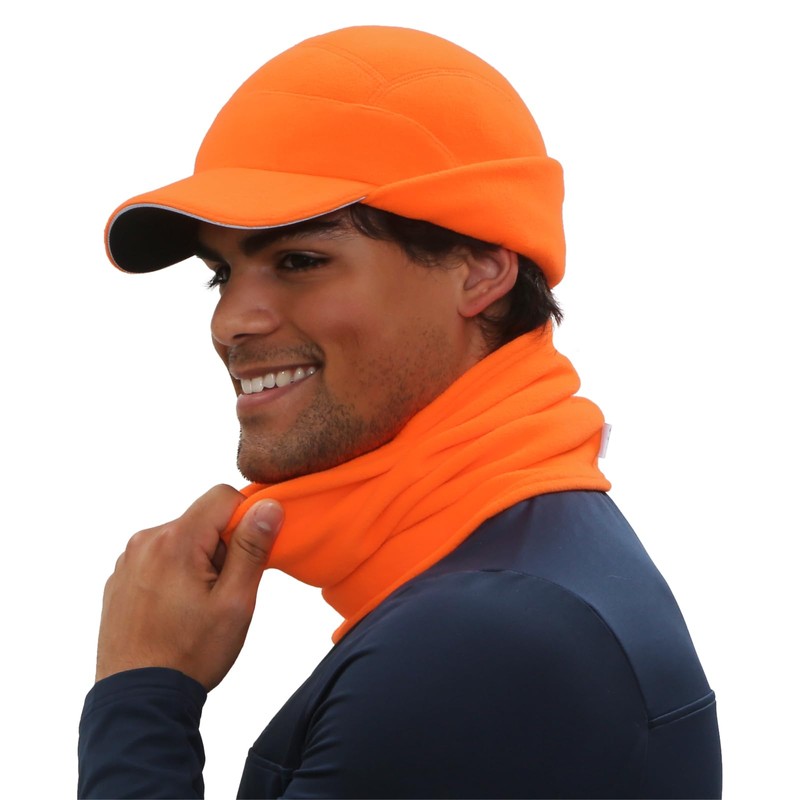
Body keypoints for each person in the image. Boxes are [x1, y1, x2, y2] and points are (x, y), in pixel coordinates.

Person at [78, 25, 722, 799]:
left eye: (300, 260)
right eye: (222, 273)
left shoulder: (485, 642)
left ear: (480, 271)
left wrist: (142, 692)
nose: (232, 321)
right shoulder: (530, 564)